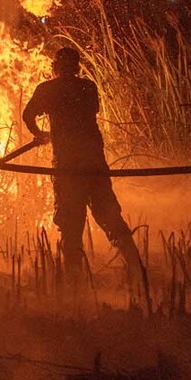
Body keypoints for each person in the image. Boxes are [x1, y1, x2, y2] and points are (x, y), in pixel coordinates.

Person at [22, 47, 144, 283]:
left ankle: (74, 281)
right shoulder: (88, 87)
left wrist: (40, 133)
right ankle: (137, 270)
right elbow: (88, 113)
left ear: (54, 67)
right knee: (110, 216)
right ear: (77, 66)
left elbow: (28, 115)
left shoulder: (48, 89)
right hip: (93, 162)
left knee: (70, 223)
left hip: (67, 165)